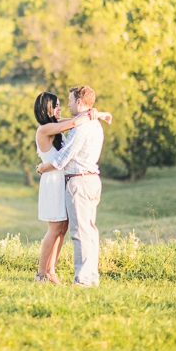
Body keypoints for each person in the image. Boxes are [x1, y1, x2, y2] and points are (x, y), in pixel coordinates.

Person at [32, 91, 111, 284]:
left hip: (63, 180)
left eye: (62, 103)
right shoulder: (44, 129)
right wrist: (95, 115)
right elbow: (75, 122)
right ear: (48, 108)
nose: (61, 108)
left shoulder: (56, 126)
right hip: (52, 181)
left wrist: (94, 114)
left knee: (63, 228)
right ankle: (41, 273)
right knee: (54, 228)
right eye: (57, 105)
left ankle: (51, 271)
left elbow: (72, 119)